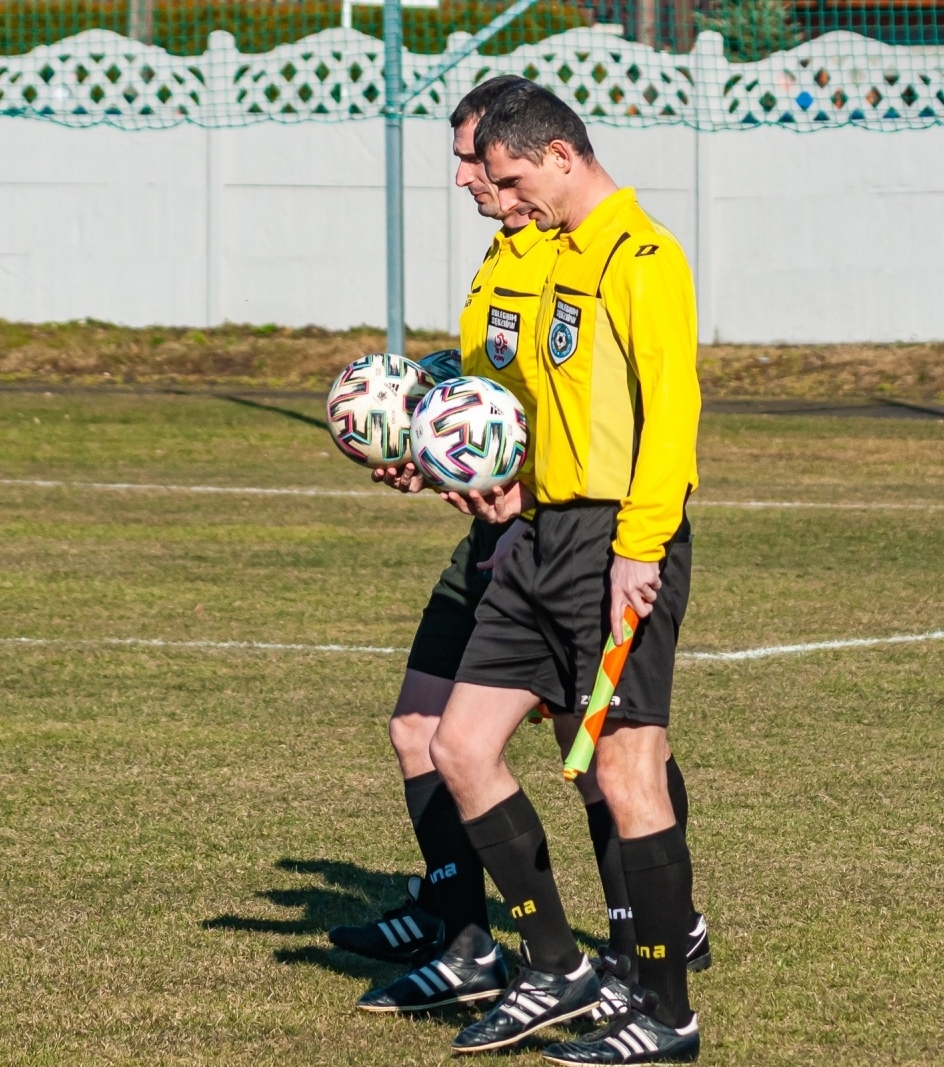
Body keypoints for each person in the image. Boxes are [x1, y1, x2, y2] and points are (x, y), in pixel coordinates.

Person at [329, 75, 708, 1019]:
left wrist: (638, 543)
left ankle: (658, 974)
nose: (481, 187)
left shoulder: (632, 255)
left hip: (600, 535)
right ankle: (535, 957)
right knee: (452, 740)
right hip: (531, 533)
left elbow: (668, 416)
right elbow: (514, 399)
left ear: (556, 156)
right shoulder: (532, 250)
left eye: (493, 170)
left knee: (618, 759)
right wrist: (441, 448)